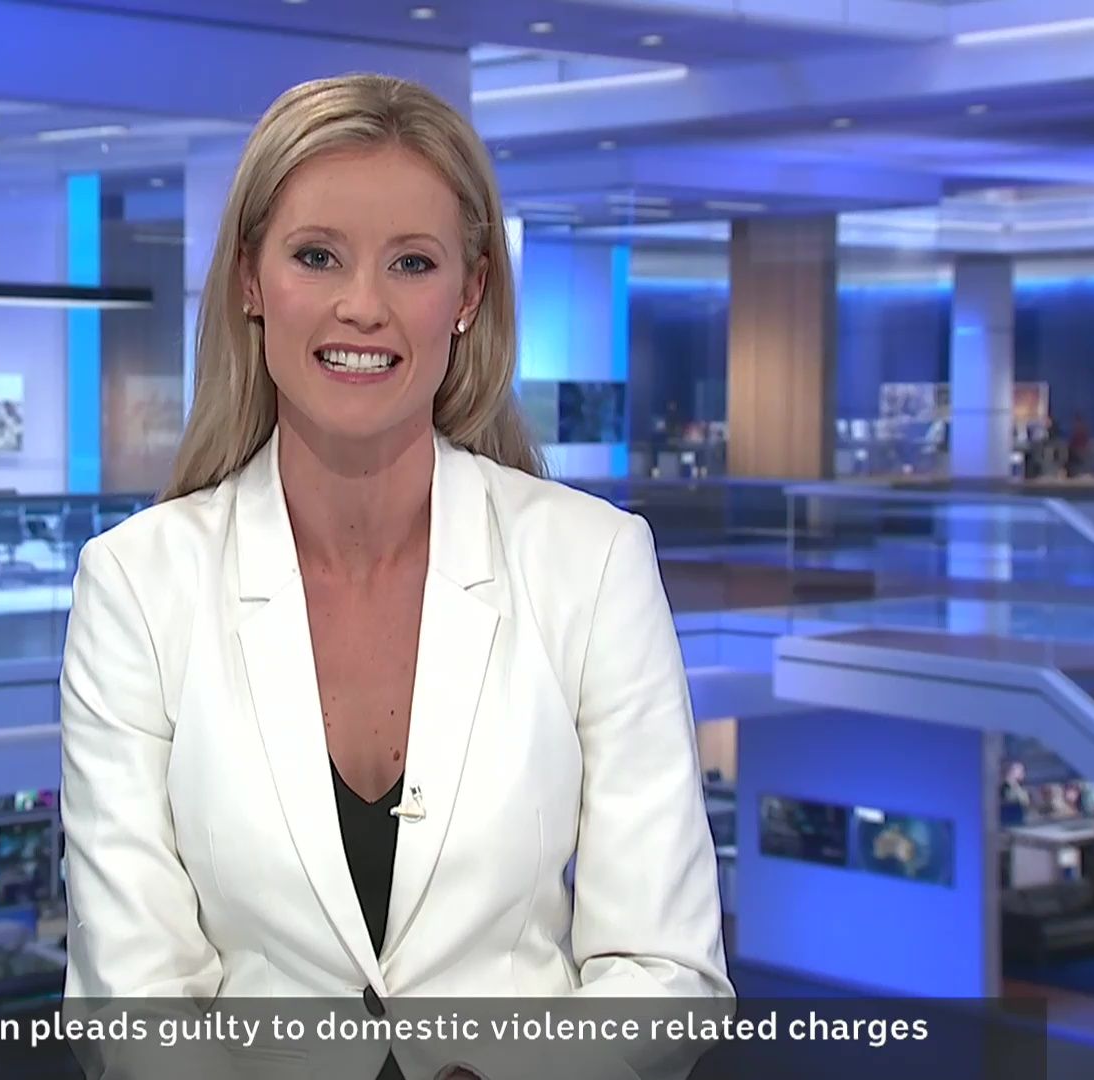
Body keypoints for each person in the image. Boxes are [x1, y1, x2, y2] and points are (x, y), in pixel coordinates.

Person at [58, 73, 731, 1078]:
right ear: (250, 280)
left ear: (469, 295)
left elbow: (667, 973)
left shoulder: (591, 563)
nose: (362, 307)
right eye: (316, 256)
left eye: (412, 263)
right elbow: (134, 1000)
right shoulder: (136, 586)